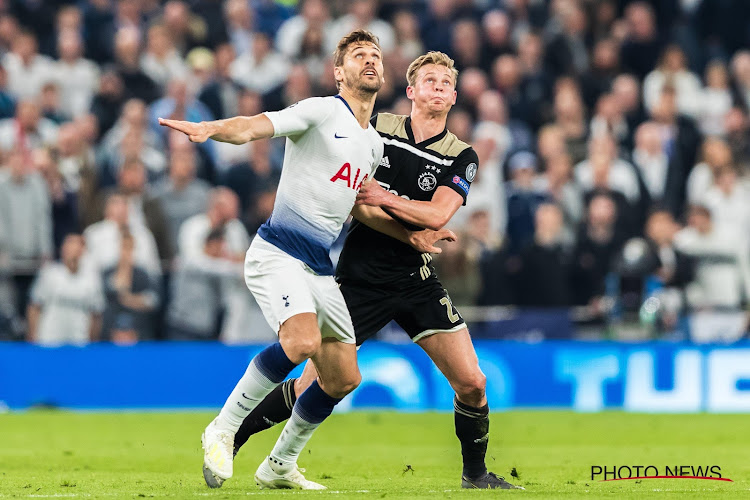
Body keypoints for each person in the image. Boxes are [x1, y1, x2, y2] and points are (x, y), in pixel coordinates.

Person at [160, 30, 448, 491]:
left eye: (375, 55)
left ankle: (279, 465)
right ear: (339, 72)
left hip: (319, 267)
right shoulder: (320, 111)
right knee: (301, 341)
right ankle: (223, 428)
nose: (370, 61)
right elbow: (257, 125)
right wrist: (212, 129)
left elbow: (359, 207)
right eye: (358, 56)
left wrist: (411, 236)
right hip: (277, 252)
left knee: (343, 377)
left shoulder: (373, 144)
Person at [229, 52, 522, 490]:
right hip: (360, 276)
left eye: (446, 82)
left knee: (473, 383)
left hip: (415, 278)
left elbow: (438, 214)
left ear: (455, 97)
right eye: (429, 80)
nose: (438, 87)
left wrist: (385, 198)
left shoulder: (461, 154)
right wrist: (393, 211)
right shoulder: (375, 130)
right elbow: (351, 199)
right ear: (411, 91)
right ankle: (231, 437)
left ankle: (475, 476)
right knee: (316, 383)